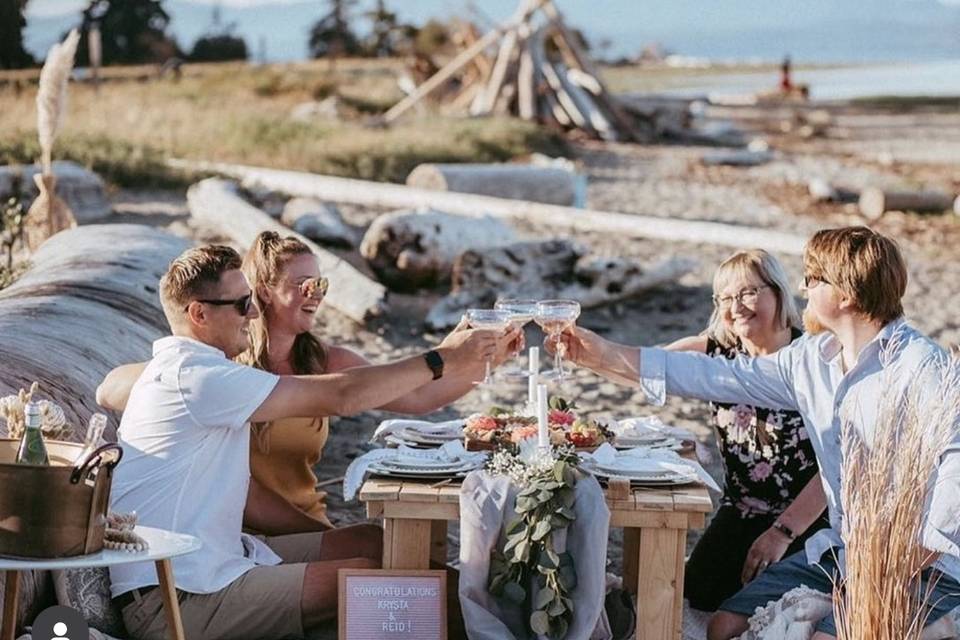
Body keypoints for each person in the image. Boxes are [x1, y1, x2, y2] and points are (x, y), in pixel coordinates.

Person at [550, 227, 960, 640]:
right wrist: (600, 353)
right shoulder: (812, 358)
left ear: (846, 295)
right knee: (721, 627)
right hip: (843, 549)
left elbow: (955, 467)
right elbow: (715, 374)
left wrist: (906, 558)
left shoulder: (923, 368)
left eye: (813, 279)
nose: (802, 286)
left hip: (924, 566)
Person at [101, 244, 517, 640]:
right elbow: (341, 395)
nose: (252, 313)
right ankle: (502, 628)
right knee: (373, 580)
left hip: (208, 563)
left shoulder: (193, 370)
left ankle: (495, 619)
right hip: (174, 598)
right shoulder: (197, 377)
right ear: (198, 314)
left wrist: (325, 535)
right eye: (241, 304)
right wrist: (440, 358)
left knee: (372, 541)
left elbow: (244, 494)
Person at [99, 231, 505, 529]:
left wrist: (483, 361)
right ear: (264, 293)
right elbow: (111, 387)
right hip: (234, 531)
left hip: (304, 522)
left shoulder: (325, 360)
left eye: (321, 284)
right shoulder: (220, 369)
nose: (316, 294)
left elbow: (418, 396)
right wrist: (172, 381)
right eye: (303, 285)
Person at [667, 249, 828, 612]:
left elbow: (837, 466)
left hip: (806, 520)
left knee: (775, 609)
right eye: (725, 297)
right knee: (699, 594)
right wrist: (584, 350)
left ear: (778, 292)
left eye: (748, 293)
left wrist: (783, 533)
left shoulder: (813, 358)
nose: (735, 306)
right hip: (740, 511)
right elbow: (651, 366)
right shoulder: (717, 353)